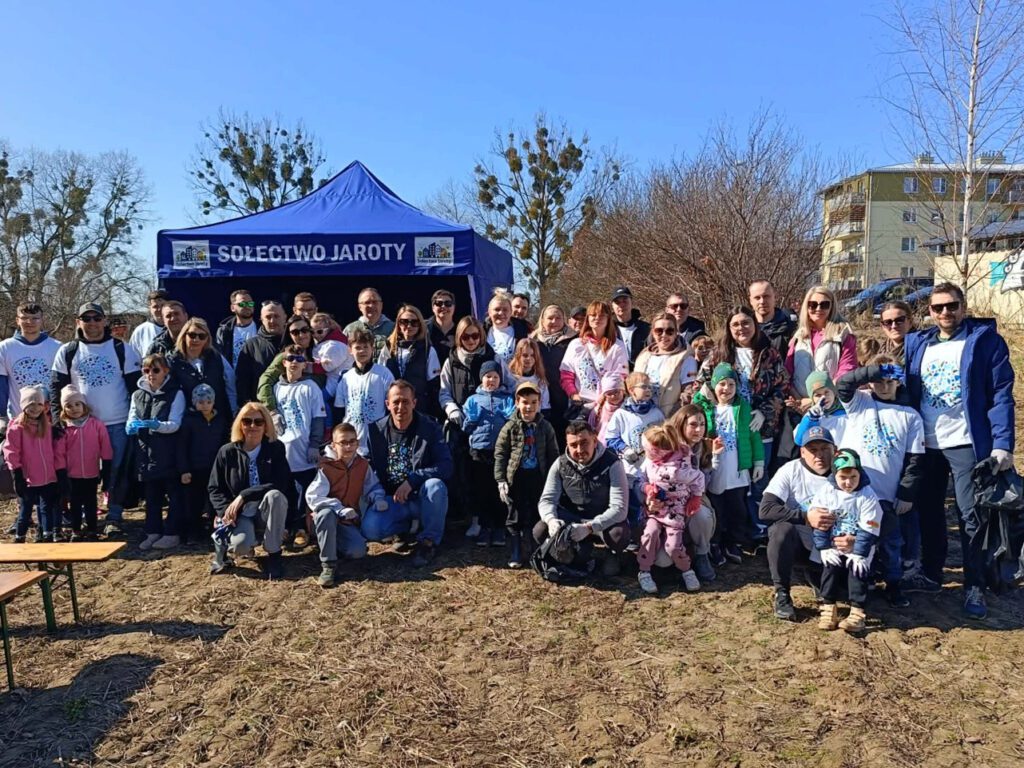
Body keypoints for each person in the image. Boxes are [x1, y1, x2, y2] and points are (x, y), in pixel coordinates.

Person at [904, 282, 1016, 619]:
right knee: (929, 512)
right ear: (929, 311)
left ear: (962, 307)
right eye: (938, 307)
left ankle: (974, 584)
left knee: (970, 515)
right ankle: (931, 573)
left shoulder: (984, 341)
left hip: (966, 442)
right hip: (926, 443)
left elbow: (1001, 393)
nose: (945, 312)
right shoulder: (919, 343)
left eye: (951, 306)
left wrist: (1002, 444)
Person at [835, 358, 925, 606]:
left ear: (898, 382)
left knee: (891, 543)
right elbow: (843, 383)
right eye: (878, 381)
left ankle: (893, 585)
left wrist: (906, 494)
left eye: (889, 381)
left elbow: (914, 460)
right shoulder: (860, 402)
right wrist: (874, 370)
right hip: (855, 490)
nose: (884, 387)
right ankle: (859, 584)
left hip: (887, 493)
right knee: (857, 539)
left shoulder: (911, 416)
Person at [50, 302, 142, 537]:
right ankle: (82, 517)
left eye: (96, 318)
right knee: (80, 473)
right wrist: (57, 419)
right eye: (86, 319)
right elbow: (56, 388)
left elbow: (136, 389)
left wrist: (137, 420)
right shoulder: (68, 351)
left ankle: (114, 516)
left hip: (117, 423)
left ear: (104, 321)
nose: (92, 323)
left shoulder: (122, 349)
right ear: (78, 322)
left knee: (117, 471)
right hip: (80, 425)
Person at [697, 306, 787, 543]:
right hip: (726, 432)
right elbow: (700, 386)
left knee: (757, 480)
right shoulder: (718, 355)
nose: (741, 328)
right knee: (724, 484)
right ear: (729, 328)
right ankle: (725, 533)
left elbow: (782, 387)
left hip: (759, 430)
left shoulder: (769, 354)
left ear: (755, 324)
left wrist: (765, 412)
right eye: (735, 324)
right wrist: (710, 408)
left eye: (746, 322)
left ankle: (757, 532)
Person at [361, 380, 453, 566]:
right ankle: (406, 529)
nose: (400, 407)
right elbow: (366, 464)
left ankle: (428, 541)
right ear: (387, 404)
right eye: (396, 402)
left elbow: (446, 465)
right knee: (370, 529)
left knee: (435, 486)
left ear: (414, 403)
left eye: (405, 401)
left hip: (422, 498)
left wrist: (414, 480)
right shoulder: (375, 430)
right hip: (393, 499)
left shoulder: (430, 428)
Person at [758, 425, 837, 621]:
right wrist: (805, 517)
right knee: (780, 530)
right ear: (802, 452)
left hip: (834, 546)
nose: (819, 455)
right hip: (800, 543)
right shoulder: (790, 470)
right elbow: (765, 510)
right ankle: (782, 593)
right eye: (813, 450)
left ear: (834, 450)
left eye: (824, 449)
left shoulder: (845, 473)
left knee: (845, 594)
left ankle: (818, 574)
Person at [208, 402, 295, 579]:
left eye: (258, 422)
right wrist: (225, 512)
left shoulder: (275, 448)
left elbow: (280, 483)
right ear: (240, 424)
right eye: (247, 421)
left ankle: (274, 554)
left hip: (266, 508)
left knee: (275, 495)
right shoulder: (227, 451)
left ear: (266, 425)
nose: (252, 426)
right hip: (241, 513)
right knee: (239, 547)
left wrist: (244, 495)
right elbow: (214, 488)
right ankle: (236, 544)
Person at [536, 420, 630, 577]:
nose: (579, 450)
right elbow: (547, 499)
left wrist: (589, 527)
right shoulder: (560, 464)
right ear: (567, 445)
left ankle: (612, 554)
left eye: (584, 442)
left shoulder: (613, 464)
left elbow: (619, 508)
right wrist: (551, 520)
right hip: (572, 518)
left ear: (594, 440)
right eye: (573, 445)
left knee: (619, 535)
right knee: (540, 530)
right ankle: (578, 550)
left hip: (602, 519)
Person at [693, 363, 763, 566]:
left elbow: (754, 437)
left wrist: (758, 462)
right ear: (714, 385)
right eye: (722, 384)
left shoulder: (742, 408)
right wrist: (702, 395)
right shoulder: (708, 409)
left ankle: (733, 542)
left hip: (737, 471)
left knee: (737, 509)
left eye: (731, 384)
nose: (726, 389)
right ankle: (715, 543)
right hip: (715, 468)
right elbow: (694, 407)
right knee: (717, 509)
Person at [810, 449, 883, 634]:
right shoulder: (827, 491)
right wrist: (824, 547)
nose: (848, 482)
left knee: (857, 572)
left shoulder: (867, 495)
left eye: (853, 477)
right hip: (834, 544)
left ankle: (857, 612)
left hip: (859, 546)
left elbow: (870, 526)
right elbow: (820, 521)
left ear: (860, 474)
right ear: (835, 474)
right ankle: (828, 607)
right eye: (843, 477)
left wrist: (859, 552)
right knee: (830, 570)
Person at [307, 422, 387, 587]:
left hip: (348, 522)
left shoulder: (363, 465)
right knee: (326, 514)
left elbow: (372, 486)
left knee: (357, 552)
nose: (348, 446)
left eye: (352, 441)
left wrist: (377, 498)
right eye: (343, 442)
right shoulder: (326, 467)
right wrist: (339, 509)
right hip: (326, 519)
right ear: (333, 445)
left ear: (357, 443)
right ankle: (328, 565)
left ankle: (333, 545)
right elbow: (313, 496)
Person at [438, 317, 495, 536]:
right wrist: (452, 410)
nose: (471, 340)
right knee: (464, 472)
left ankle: (491, 518)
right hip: (460, 424)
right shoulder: (451, 360)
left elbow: (507, 384)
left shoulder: (492, 357)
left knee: (485, 473)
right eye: (465, 336)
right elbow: (444, 391)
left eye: (475, 335)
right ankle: (471, 517)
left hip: (486, 426)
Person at [494, 381, 559, 568]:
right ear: (517, 403)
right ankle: (515, 549)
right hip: (516, 477)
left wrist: (553, 480)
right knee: (515, 512)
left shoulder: (546, 427)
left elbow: (553, 454)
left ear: (539, 404)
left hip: (538, 477)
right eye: (524, 402)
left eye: (533, 402)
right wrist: (501, 479)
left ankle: (535, 548)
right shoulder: (510, 427)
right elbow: (500, 453)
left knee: (536, 511)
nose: (528, 407)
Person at [635, 424, 704, 594]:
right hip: (654, 509)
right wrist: (647, 489)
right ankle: (644, 570)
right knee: (649, 534)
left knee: (673, 546)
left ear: (659, 451)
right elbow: (640, 479)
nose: (644, 451)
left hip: (675, 510)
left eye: (647, 449)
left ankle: (686, 569)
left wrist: (696, 497)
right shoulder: (649, 462)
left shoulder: (680, 469)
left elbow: (698, 478)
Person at [127, 353, 186, 551]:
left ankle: (172, 533)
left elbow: (175, 424)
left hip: (168, 452)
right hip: (145, 453)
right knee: (151, 497)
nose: (150, 374)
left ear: (165, 371)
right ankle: (152, 531)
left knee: (174, 496)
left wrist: (157, 425)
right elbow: (132, 417)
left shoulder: (176, 393)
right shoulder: (137, 394)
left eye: (155, 370)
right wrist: (132, 426)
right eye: (146, 370)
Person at [273, 344, 327, 543]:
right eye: (291, 359)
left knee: (303, 492)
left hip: (304, 451)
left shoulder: (310, 387)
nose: (294, 363)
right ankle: (285, 527)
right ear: (284, 362)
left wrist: (314, 444)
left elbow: (318, 418)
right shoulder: (276, 388)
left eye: (300, 359)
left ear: (305, 364)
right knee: (285, 490)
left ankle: (301, 529)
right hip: (283, 451)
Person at [3, 385, 66, 542]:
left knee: (46, 508)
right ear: (24, 406)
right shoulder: (17, 428)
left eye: (39, 404)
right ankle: (20, 537)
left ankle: (47, 535)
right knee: (25, 510)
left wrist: (60, 474)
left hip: (48, 478)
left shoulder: (47, 427)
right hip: (28, 479)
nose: (35, 408)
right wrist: (17, 475)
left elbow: (56, 453)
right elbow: (11, 452)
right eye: (31, 404)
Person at [604, 372, 664, 535]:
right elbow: (611, 437)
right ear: (631, 390)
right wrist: (625, 450)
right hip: (629, 469)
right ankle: (632, 533)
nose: (648, 390)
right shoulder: (622, 414)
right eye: (643, 387)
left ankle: (649, 532)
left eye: (649, 387)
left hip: (651, 469)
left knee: (650, 499)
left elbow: (664, 437)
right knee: (632, 501)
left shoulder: (657, 414)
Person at [463, 360, 515, 546]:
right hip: (479, 451)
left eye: (495, 377)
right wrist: (471, 419)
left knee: (499, 489)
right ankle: (485, 528)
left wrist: (509, 417)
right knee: (481, 490)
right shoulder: (473, 400)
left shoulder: (507, 399)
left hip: (500, 451)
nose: (491, 380)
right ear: (481, 379)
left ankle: (500, 528)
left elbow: (513, 424)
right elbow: (465, 428)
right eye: (488, 376)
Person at [668, 403, 719, 582]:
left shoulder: (704, 448)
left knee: (701, 515)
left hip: (694, 499)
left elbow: (707, 484)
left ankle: (702, 553)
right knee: (663, 562)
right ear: (681, 424)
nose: (699, 430)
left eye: (702, 424)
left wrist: (715, 459)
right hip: (669, 501)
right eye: (693, 425)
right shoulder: (667, 446)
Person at [0, 302, 62, 438]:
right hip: (18, 421)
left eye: (35, 318)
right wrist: (1, 416)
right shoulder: (4, 348)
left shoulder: (57, 347)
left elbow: (61, 386)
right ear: (17, 320)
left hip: (49, 422)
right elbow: (1, 386)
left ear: (42, 320)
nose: (30, 322)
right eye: (24, 318)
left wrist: (59, 417)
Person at [57, 387, 112, 541]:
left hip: (92, 472)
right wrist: (62, 473)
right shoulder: (65, 428)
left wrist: (106, 469)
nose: (74, 408)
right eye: (69, 406)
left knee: (91, 502)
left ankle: (92, 529)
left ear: (84, 405)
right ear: (64, 409)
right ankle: (76, 530)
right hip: (72, 474)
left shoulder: (96, 424)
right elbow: (59, 453)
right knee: (75, 503)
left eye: (77, 404)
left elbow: (105, 447)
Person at [177, 384, 230, 542]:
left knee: (215, 501)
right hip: (195, 469)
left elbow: (225, 444)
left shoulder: (220, 420)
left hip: (215, 469)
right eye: (200, 402)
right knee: (194, 502)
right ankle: (193, 533)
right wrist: (184, 470)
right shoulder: (188, 421)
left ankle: (215, 532)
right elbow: (181, 447)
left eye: (208, 402)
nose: (205, 405)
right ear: (194, 402)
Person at [560, 300, 629, 413]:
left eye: (602, 315)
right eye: (593, 315)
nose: (597, 318)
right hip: (580, 405)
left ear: (608, 319)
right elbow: (566, 375)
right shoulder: (576, 345)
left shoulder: (617, 346)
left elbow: (621, 377)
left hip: (607, 406)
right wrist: (573, 395)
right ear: (588, 318)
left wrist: (604, 399)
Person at [333, 329, 394, 455]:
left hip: (376, 440)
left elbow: (391, 408)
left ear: (372, 349)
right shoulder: (346, 378)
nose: (362, 351)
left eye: (366, 347)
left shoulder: (384, 374)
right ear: (350, 350)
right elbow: (339, 411)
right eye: (358, 347)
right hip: (351, 443)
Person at [166, 318, 237, 418]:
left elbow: (231, 385)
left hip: (217, 418)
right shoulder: (172, 361)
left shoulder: (216, 357)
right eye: (192, 335)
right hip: (186, 419)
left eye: (202, 336)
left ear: (207, 339)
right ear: (184, 336)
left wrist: (234, 412)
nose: (196, 339)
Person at [377, 304, 441, 412]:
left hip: (419, 408)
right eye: (404, 322)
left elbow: (434, 385)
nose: (409, 326)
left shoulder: (428, 350)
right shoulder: (388, 347)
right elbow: (380, 379)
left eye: (414, 322)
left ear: (420, 325)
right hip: (393, 407)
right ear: (398, 324)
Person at [634, 313, 697, 420]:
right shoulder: (643, 357)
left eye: (669, 331)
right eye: (659, 331)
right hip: (640, 418)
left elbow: (688, 394)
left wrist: (671, 420)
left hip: (668, 420)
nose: (664, 335)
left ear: (676, 333)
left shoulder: (686, 359)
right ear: (652, 332)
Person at [255, 315, 321, 413]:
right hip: (292, 409)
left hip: (319, 406)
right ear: (289, 335)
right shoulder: (287, 356)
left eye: (304, 330)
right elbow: (265, 381)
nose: (301, 335)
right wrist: (272, 409)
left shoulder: (321, 351)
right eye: (295, 332)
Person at [235, 300, 286, 405]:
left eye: (276, 316)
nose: (272, 321)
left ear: (285, 317)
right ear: (261, 319)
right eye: (268, 317)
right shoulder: (251, 346)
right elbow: (242, 381)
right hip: (262, 407)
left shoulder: (294, 342)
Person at [309, 312, 352, 406]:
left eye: (319, 331)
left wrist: (306, 367)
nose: (316, 335)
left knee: (319, 400)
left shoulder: (335, 345)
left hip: (338, 380)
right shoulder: (325, 342)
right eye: (312, 332)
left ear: (329, 329)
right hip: (332, 378)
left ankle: (326, 416)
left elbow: (326, 367)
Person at [485, 291, 531, 372]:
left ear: (510, 312)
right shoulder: (482, 331)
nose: (501, 313)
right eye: (497, 309)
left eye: (505, 310)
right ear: (489, 312)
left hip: (516, 377)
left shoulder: (522, 332)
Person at [748, 280, 797, 357]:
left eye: (766, 296)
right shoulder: (745, 328)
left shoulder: (791, 325)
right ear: (751, 301)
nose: (762, 301)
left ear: (775, 297)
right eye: (757, 298)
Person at [343, 287, 394, 356]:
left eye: (375, 302)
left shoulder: (393, 328)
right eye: (367, 302)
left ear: (381, 305)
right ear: (360, 307)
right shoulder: (350, 330)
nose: (371, 306)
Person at [610, 286, 652, 370]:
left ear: (631, 302)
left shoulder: (646, 329)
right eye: (617, 302)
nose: (622, 305)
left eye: (625, 301)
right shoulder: (607, 330)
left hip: (641, 374)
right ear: (612, 306)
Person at [506, 338, 551, 413]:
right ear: (518, 356)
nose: (529, 358)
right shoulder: (510, 377)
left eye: (532, 355)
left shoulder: (540, 379)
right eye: (525, 355)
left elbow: (545, 406)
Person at [215, 289, 258, 368]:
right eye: (242, 304)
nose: (247, 306)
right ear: (232, 308)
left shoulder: (263, 328)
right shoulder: (224, 331)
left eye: (250, 303)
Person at [129, 289, 169, 358]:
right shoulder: (140, 331)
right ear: (150, 308)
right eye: (155, 306)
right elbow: (133, 358)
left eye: (163, 305)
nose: (159, 309)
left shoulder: (178, 328)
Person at [589, 373, 626, 444]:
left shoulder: (629, 408)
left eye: (616, 392)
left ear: (623, 391)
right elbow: (591, 430)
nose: (613, 396)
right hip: (602, 446)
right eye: (609, 394)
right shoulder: (598, 410)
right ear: (605, 395)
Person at [425, 289, 458, 359]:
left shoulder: (461, 330)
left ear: (454, 307)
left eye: (448, 303)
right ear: (433, 307)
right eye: (439, 303)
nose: (443, 306)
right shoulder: (423, 328)